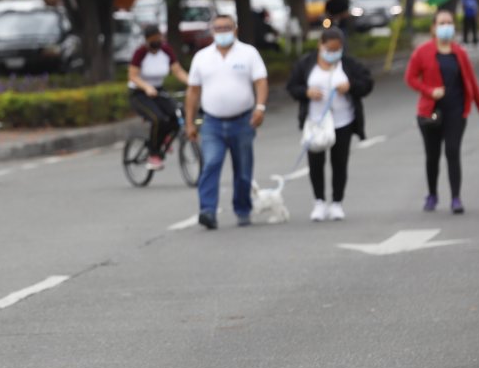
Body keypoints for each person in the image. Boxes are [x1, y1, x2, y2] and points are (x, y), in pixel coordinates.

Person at [184, 14, 269, 229]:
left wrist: (260, 108)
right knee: (211, 164)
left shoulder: (248, 53)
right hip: (212, 122)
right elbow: (193, 91)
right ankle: (207, 211)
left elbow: (260, 82)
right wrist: (190, 122)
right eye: (218, 28)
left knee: (242, 170)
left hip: (242, 121)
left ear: (235, 29)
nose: (223, 32)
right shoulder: (202, 57)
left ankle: (242, 209)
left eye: (227, 27)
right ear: (212, 31)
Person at [404, 10, 479, 213]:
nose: (446, 26)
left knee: (453, 152)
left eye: (449, 23)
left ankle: (456, 198)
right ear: (433, 28)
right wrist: (429, 91)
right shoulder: (422, 52)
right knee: (432, 155)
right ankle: (432, 194)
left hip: (456, 110)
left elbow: (472, 83)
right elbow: (410, 78)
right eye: (442, 23)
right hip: (430, 111)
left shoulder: (459, 53)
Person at [286, 28, 374, 222]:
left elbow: (367, 84)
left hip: (343, 121)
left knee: (339, 163)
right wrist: (306, 92)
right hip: (316, 123)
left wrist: (350, 87)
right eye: (329, 48)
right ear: (320, 45)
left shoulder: (349, 65)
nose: (332, 53)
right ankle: (319, 201)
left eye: (337, 49)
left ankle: (337, 203)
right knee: (316, 163)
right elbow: (292, 86)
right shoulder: (307, 64)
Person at [127, 24, 190, 170]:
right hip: (140, 92)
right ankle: (153, 154)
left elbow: (178, 71)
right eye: (153, 39)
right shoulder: (140, 53)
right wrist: (146, 87)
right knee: (158, 119)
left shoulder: (166, 50)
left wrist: (192, 83)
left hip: (159, 91)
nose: (157, 41)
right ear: (147, 40)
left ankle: (163, 139)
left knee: (178, 113)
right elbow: (133, 76)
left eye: (159, 38)